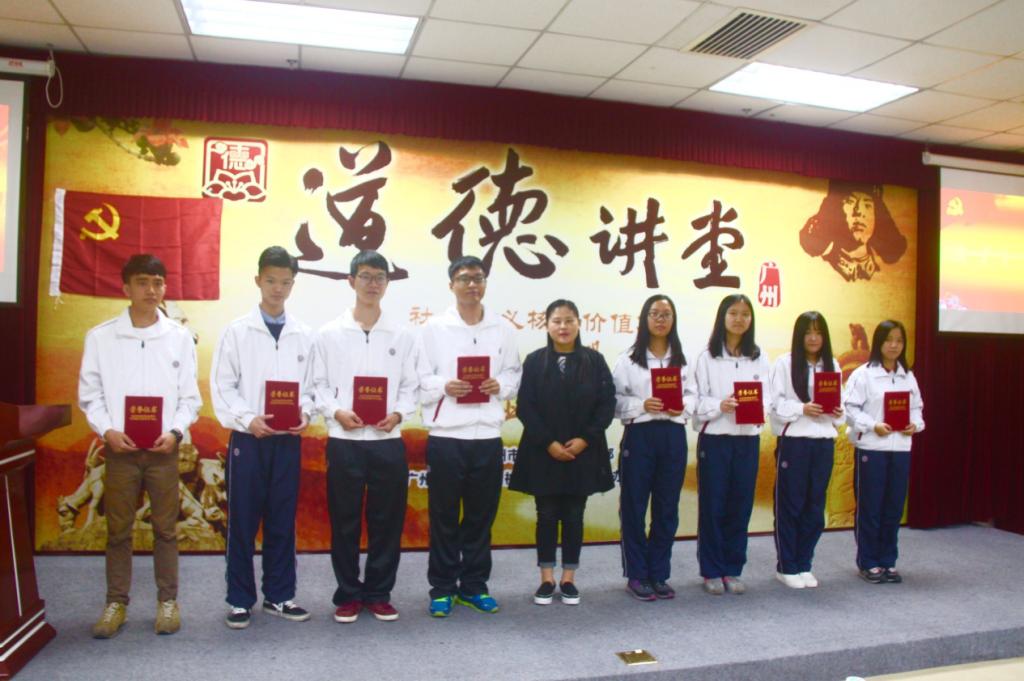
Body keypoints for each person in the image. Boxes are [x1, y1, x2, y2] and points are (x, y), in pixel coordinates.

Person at [78, 254, 201, 638]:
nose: (152, 290)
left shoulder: (179, 337)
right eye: (143, 282)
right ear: (126, 288)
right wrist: (108, 430)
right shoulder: (101, 337)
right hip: (121, 451)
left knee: (166, 529)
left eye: (158, 282)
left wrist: (176, 432)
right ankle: (116, 602)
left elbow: (190, 398)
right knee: (118, 530)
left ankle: (168, 601)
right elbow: (90, 395)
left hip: (163, 451)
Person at [210, 246, 315, 629]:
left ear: (293, 285)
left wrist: (305, 412)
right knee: (242, 521)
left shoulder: (304, 335)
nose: (278, 289)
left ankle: (280, 595)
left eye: (285, 282)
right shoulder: (237, 331)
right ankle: (239, 600)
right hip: (248, 440)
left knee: (282, 519)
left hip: (287, 440)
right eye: (271, 280)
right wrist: (247, 419)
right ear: (258, 280)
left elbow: (311, 386)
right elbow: (221, 386)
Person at [313, 250, 419, 623]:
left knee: (387, 521)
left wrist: (399, 413)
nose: (373, 284)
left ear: (387, 284)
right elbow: (317, 385)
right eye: (366, 276)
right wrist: (336, 412)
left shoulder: (402, 335)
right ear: (351, 281)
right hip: (345, 440)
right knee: (344, 520)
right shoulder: (329, 334)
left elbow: (411, 386)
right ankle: (347, 594)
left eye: (380, 277)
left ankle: (378, 593)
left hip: (387, 442)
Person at [417, 256, 522, 617]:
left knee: (480, 517)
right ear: (452, 285)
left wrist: (500, 385)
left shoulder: (502, 328)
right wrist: (444, 385)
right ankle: (442, 588)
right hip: (447, 436)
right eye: (464, 279)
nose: (472, 285)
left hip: (487, 436)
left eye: (478, 278)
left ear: (485, 283)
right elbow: (419, 379)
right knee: (444, 516)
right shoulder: (433, 328)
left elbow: (514, 373)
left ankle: (475, 586)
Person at [509, 299, 615, 606]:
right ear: (547, 325)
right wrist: (549, 443)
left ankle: (569, 579)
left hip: (582, 451)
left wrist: (584, 439)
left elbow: (606, 404)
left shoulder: (594, 360)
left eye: (569, 320)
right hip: (544, 451)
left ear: (579, 324)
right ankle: (546, 578)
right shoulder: (535, 361)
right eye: (557, 321)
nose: (563, 327)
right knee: (545, 515)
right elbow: (525, 406)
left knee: (574, 515)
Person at [611, 294, 693, 601]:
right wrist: (642, 404)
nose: (660, 319)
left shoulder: (683, 359)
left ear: (674, 320)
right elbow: (614, 401)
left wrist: (683, 406)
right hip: (640, 435)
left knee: (667, 506)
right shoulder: (628, 359)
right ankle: (636, 574)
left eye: (666, 314)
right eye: (655, 314)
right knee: (634, 506)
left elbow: (695, 397)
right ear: (645, 319)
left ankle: (659, 573)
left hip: (673, 435)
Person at [692, 293, 770, 595]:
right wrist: (719, 406)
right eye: (733, 313)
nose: (739, 319)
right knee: (713, 506)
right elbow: (695, 401)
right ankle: (711, 570)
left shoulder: (759, 357)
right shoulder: (706, 356)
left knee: (740, 505)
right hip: (715, 440)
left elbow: (769, 397)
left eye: (745, 314)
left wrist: (759, 408)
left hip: (747, 440)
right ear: (722, 317)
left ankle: (733, 568)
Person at [844, 320, 924, 584]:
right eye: (889, 339)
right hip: (872, 448)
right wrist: (872, 425)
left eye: (899, 340)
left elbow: (917, 409)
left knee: (893, 507)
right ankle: (868, 562)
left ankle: (888, 560)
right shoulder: (863, 374)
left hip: (900, 448)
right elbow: (850, 410)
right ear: (878, 342)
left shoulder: (907, 376)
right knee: (871, 507)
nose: (894, 345)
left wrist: (915, 425)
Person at [768, 311, 843, 590]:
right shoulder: (784, 364)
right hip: (794, 442)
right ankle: (786, 566)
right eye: (808, 332)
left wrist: (837, 412)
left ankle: (804, 563)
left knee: (814, 506)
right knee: (791, 504)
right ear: (799, 335)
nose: (813, 338)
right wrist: (802, 408)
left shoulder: (832, 365)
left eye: (818, 332)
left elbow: (840, 409)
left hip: (823, 442)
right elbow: (774, 405)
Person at [799, 181, 907, 282]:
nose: (859, 212)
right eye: (850, 202)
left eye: (867, 205)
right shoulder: (819, 272)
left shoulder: (885, 276)